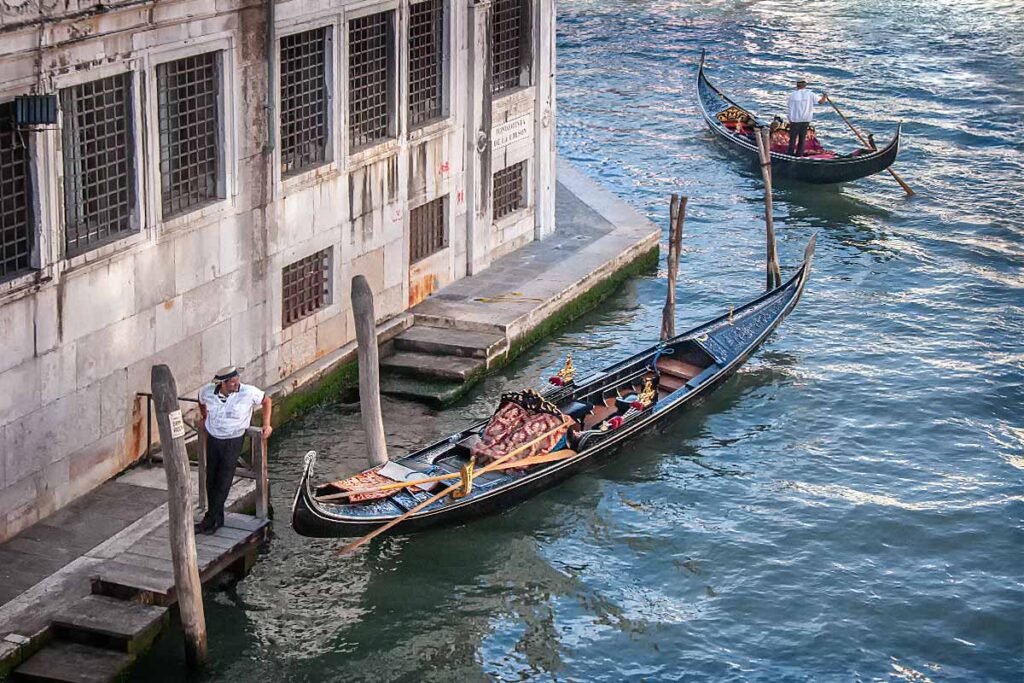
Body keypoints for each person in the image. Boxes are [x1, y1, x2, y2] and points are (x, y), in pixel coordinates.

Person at [195, 366, 272, 534]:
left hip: (234, 439)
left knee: (224, 480)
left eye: (237, 381)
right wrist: (205, 417)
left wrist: (266, 424)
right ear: (223, 383)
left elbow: (267, 400)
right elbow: (200, 401)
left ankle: (210, 519)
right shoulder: (207, 391)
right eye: (232, 382)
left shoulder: (248, 392)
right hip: (214, 438)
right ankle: (217, 518)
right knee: (211, 479)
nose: (237, 384)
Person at [786, 79, 828, 156]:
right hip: (805, 119)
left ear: (797, 86)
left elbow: (789, 107)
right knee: (802, 139)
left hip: (794, 120)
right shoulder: (810, 94)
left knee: (792, 139)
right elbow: (821, 102)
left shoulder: (792, 95)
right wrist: (824, 97)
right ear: (805, 86)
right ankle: (799, 155)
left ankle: (790, 154)